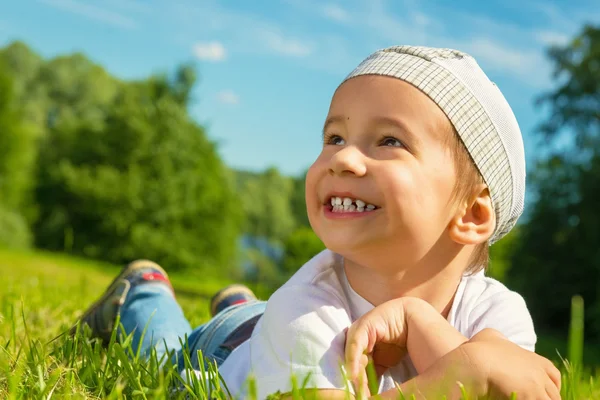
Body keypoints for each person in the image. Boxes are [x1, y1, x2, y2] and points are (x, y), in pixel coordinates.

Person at [75, 45, 561, 399]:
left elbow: (527, 388)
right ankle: (144, 293)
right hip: (229, 352)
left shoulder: (495, 311)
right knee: (165, 354)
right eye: (334, 137)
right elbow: (488, 383)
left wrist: (422, 325)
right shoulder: (307, 310)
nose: (343, 157)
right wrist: (467, 375)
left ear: (473, 214)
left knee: (261, 317)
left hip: (267, 325)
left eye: (389, 141)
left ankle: (242, 303)